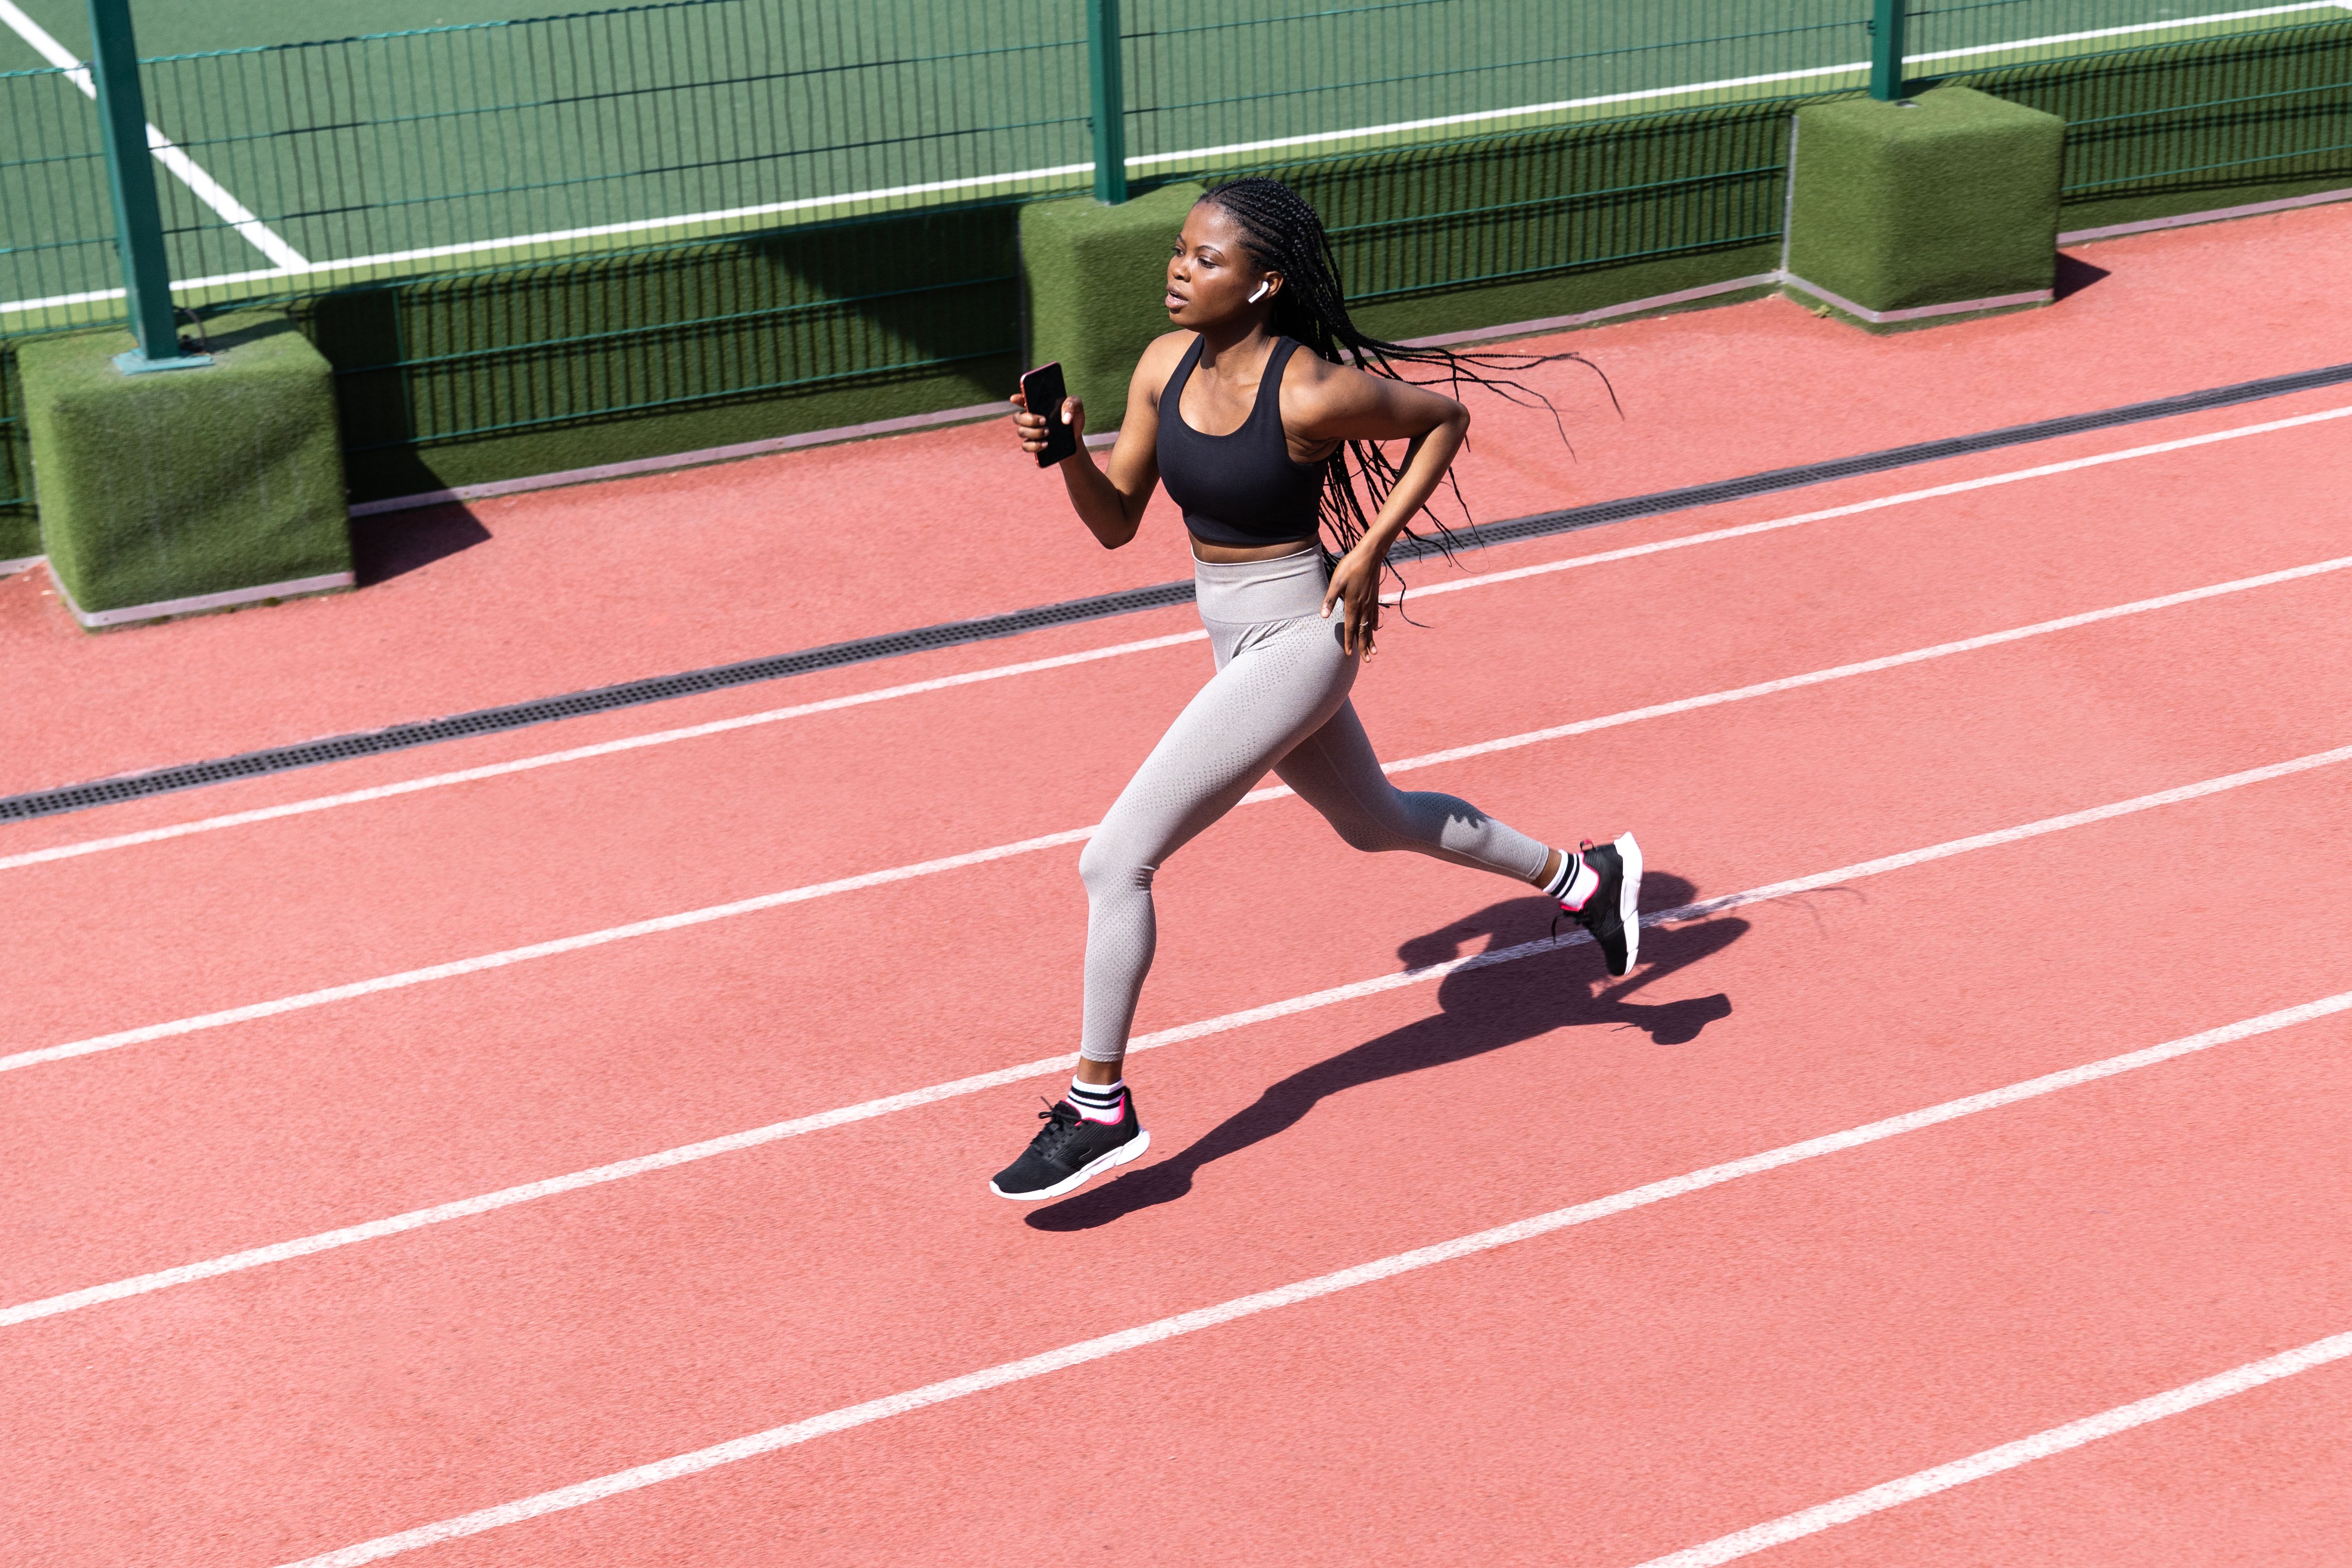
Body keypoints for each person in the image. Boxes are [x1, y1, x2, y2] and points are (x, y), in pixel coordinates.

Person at [991, 176, 1640, 1202]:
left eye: (1207, 260)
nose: (1179, 270)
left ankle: (1097, 1105)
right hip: (1233, 629)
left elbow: (1444, 419)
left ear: (1264, 285)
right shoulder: (1163, 368)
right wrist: (1069, 452)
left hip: (1305, 634)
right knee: (1377, 822)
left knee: (1115, 858)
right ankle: (1583, 878)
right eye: (1180, 251)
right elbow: (1118, 521)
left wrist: (1373, 549)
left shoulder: (1313, 390)